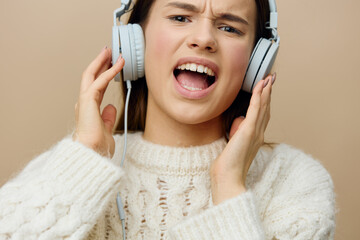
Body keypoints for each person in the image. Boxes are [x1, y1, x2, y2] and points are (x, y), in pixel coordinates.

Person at [0, 0, 335, 239]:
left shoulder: (295, 182)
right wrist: (85, 158)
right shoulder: (67, 171)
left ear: (255, 62)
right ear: (133, 40)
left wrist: (230, 187)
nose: (203, 39)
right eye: (180, 17)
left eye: (229, 27)